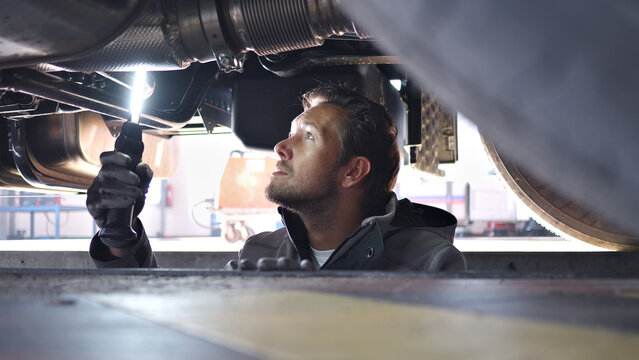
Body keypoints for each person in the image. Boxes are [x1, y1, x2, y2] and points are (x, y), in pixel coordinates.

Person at [87, 83, 466, 271]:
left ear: (353, 171)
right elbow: (176, 338)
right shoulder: (259, 254)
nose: (281, 146)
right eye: (291, 131)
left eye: (309, 137)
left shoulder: (430, 264)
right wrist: (121, 238)